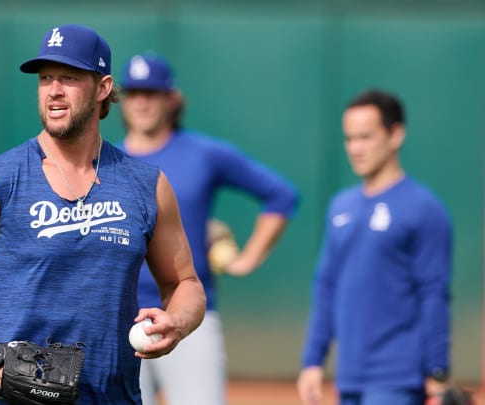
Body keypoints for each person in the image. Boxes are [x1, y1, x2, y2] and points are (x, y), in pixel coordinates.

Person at [0, 25, 206, 405]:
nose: (53, 90)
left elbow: (186, 283)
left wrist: (177, 322)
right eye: (45, 77)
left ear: (103, 88)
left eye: (69, 77)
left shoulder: (146, 185)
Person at [117, 53, 299, 405]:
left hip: (189, 318)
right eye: (135, 92)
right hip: (121, 316)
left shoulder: (203, 154)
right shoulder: (106, 160)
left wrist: (245, 260)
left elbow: (281, 195)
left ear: (172, 99)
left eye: (152, 92)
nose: (141, 101)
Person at [297, 89, 453, 405]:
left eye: (366, 137)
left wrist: (437, 370)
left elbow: (433, 292)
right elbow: (326, 285)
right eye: (349, 138)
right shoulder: (341, 205)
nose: (355, 148)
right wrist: (312, 361)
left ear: (396, 134)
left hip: (397, 378)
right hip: (350, 376)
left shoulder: (424, 208)